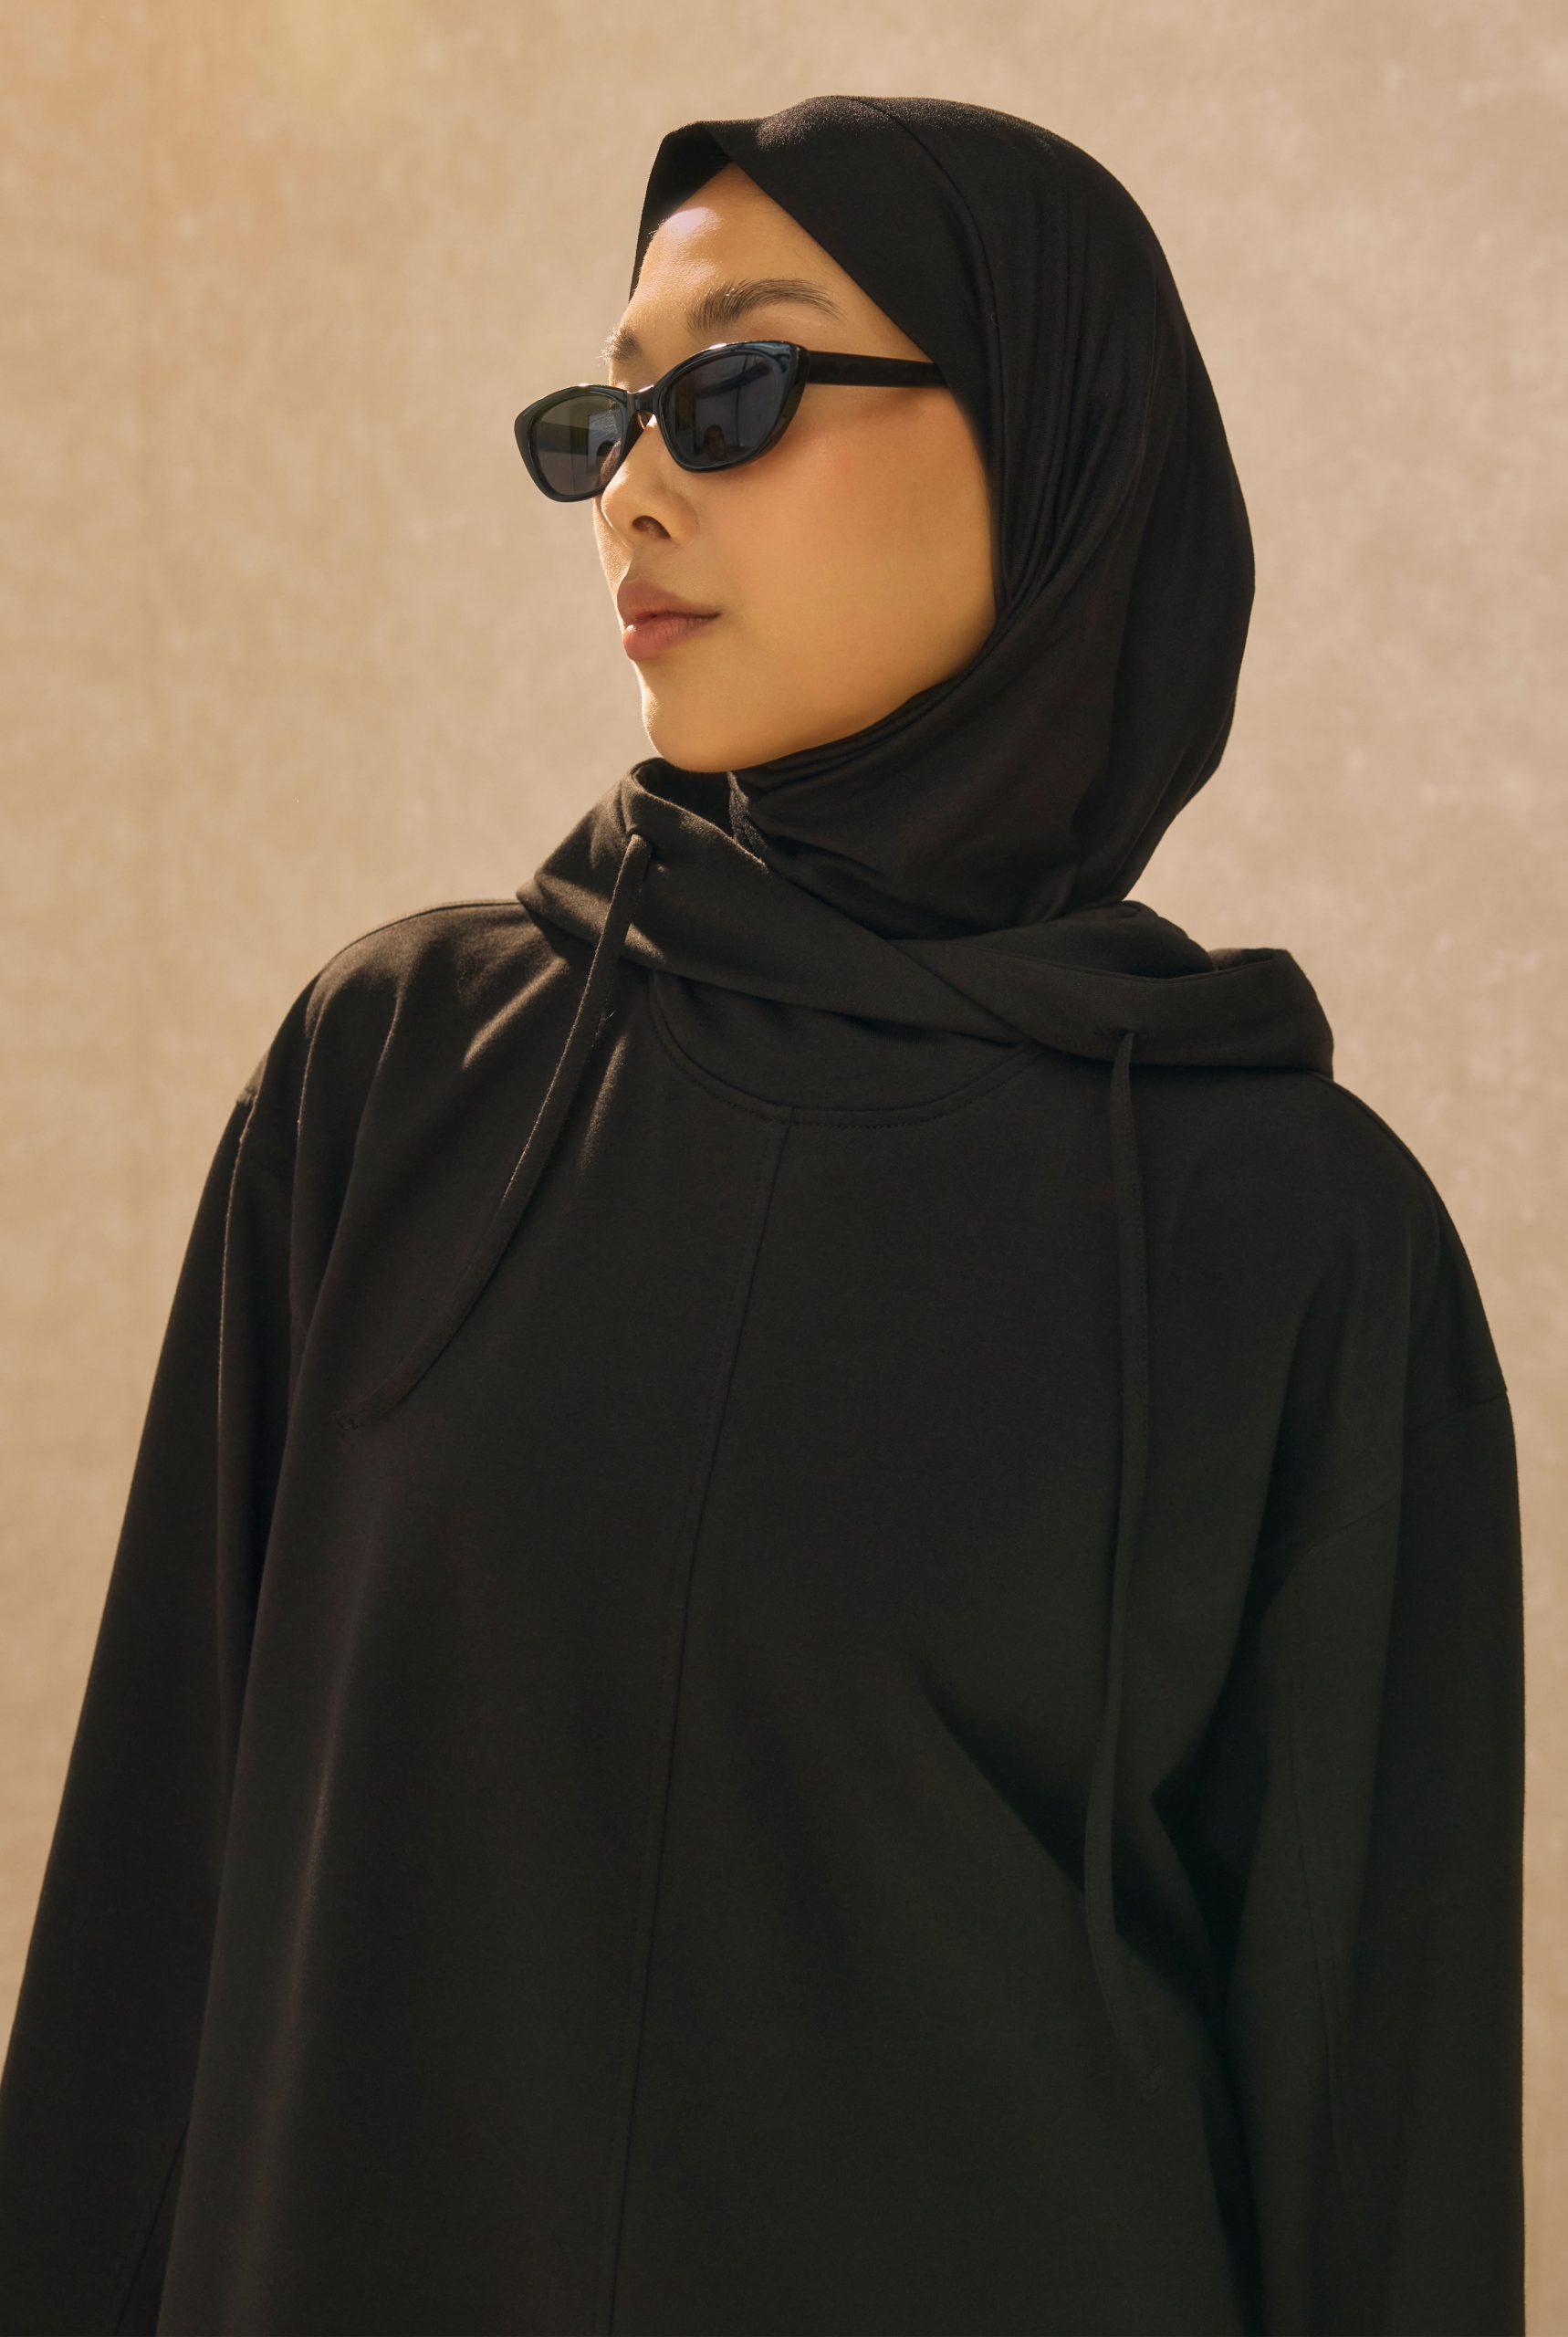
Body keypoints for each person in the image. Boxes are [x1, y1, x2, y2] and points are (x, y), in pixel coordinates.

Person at [0, 94, 1523, 2337]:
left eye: (731, 392)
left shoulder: (1291, 1241)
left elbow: (1376, 2164)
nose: (632, 486)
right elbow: (142, 1956)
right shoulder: (397, 1079)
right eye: (605, 415)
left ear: (1050, 449)